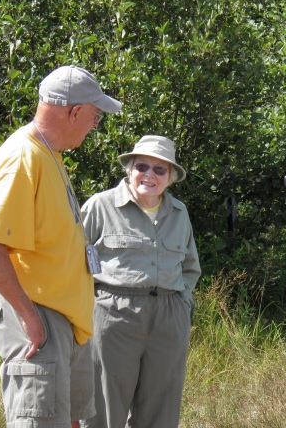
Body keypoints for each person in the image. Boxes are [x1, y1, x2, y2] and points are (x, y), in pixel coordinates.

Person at [0, 65, 122, 427]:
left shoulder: (48, 153)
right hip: (41, 319)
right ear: (73, 111)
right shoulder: (23, 157)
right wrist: (29, 318)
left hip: (65, 322)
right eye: (94, 116)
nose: (94, 125)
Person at [81, 135, 201, 428]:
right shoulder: (100, 206)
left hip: (169, 316)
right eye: (142, 166)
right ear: (129, 169)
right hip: (113, 314)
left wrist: (181, 303)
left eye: (160, 170)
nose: (149, 175)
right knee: (105, 403)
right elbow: (74, 262)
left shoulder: (179, 212)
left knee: (162, 404)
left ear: (170, 177)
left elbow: (190, 267)